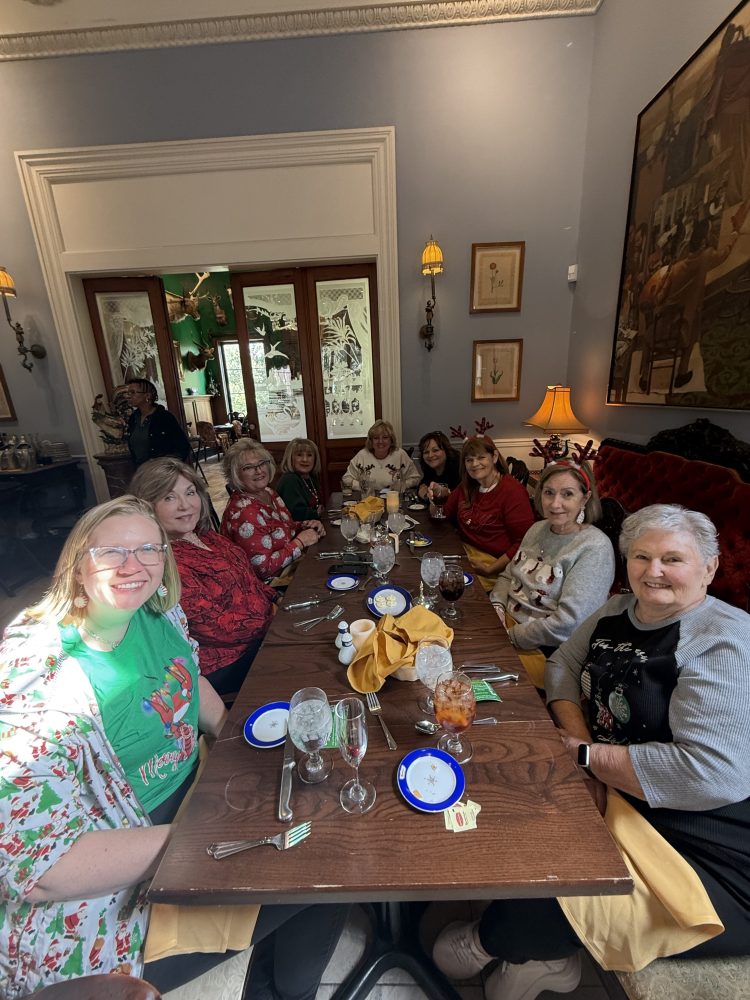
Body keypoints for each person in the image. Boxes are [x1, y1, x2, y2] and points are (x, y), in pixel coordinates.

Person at [0, 496, 348, 998]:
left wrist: (238, 743)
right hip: (115, 887)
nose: (133, 565)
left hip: (200, 792)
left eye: (148, 549)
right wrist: (202, 834)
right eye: (111, 553)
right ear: (77, 564)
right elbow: (43, 872)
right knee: (327, 864)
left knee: (325, 808)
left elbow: (191, 678)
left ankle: (281, 980)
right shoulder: (31, 672)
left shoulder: (157, 613)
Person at [432, 505, 750, 998]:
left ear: (709, 568)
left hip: (703, 841)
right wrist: (585, 749)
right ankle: (546, 954)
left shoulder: (723, 640)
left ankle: (499, 943)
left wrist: (587, 759)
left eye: (673, 559)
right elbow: (561, 666)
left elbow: (713, 774)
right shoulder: (618, 612)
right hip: (622, 785)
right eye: (642, 556)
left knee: (560, 882)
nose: (654, 570)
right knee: (503, 800)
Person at [130, 458, 278, 698]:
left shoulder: (208, 537)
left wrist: (278, 600)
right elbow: (217, 627)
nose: (185, 505)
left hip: (262, 634)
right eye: (169, 497)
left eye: (190, 493)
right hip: (231, 662)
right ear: (147, 506)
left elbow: (250, 582)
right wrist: (274, 620)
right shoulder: (162, 562)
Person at [489, 459, 615, 686]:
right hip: (504, 625)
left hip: (545, 648)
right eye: (549, 493)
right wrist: (496, 606)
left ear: (584, 499)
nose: (555, 504)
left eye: (567, 494)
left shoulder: (594, 547)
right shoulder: (537, 528)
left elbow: (568, 623)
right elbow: (508, 574)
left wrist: (511, 637)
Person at [220, 439, 324, 583]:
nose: (259, 471)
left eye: (262, 463)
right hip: (270, 586)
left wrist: (305, 525)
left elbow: (284, 526)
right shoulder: (245, 513)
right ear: (235, 474)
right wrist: (300, 542)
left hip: (290, 567)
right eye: (248, 467)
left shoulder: (268, 492)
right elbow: (264, 570)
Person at [438, 435, 534, 589]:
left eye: (481, 458)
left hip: (496, 565)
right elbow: (443, 513)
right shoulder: (467, 485)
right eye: (469, 460)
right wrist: (435, 497)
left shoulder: (513, 491)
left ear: (494, 457)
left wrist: (491, 569)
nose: (475, 464)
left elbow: (524, 543)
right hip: (464, 554)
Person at [124, 378, 191, 467]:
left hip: (162, 472)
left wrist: (167, 467)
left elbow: (183, 447)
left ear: (147, 396)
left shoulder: (164, 417)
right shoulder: (133, 418)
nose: (128, 396)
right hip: (142, 472)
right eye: (128, 393)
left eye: (132, 392)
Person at [341, 419, 421, 494]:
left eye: (385, 437)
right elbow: (346, 479)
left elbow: (415, 478)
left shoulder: (400, 454)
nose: (380, 442)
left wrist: (402, 485)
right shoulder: (362, 455)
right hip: (368, 500)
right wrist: (364, 486)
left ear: (391, 440)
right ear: (371, 441)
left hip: (394, 499)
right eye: (376, 438)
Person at [276, 437, 325, 520]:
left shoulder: (311, 477)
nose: (305, 459)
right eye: (299, 455)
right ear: (290, 458)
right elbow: (296, 514)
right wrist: (316, 513)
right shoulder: (290, 480)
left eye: (309, 455)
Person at [416, 430, 461, 499]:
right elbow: (422, 486)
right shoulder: (429, 469)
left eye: (435, 450)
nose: (430, 455)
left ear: (446, 450)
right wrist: (425, 494)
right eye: (426, 452)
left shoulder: (458, 469)